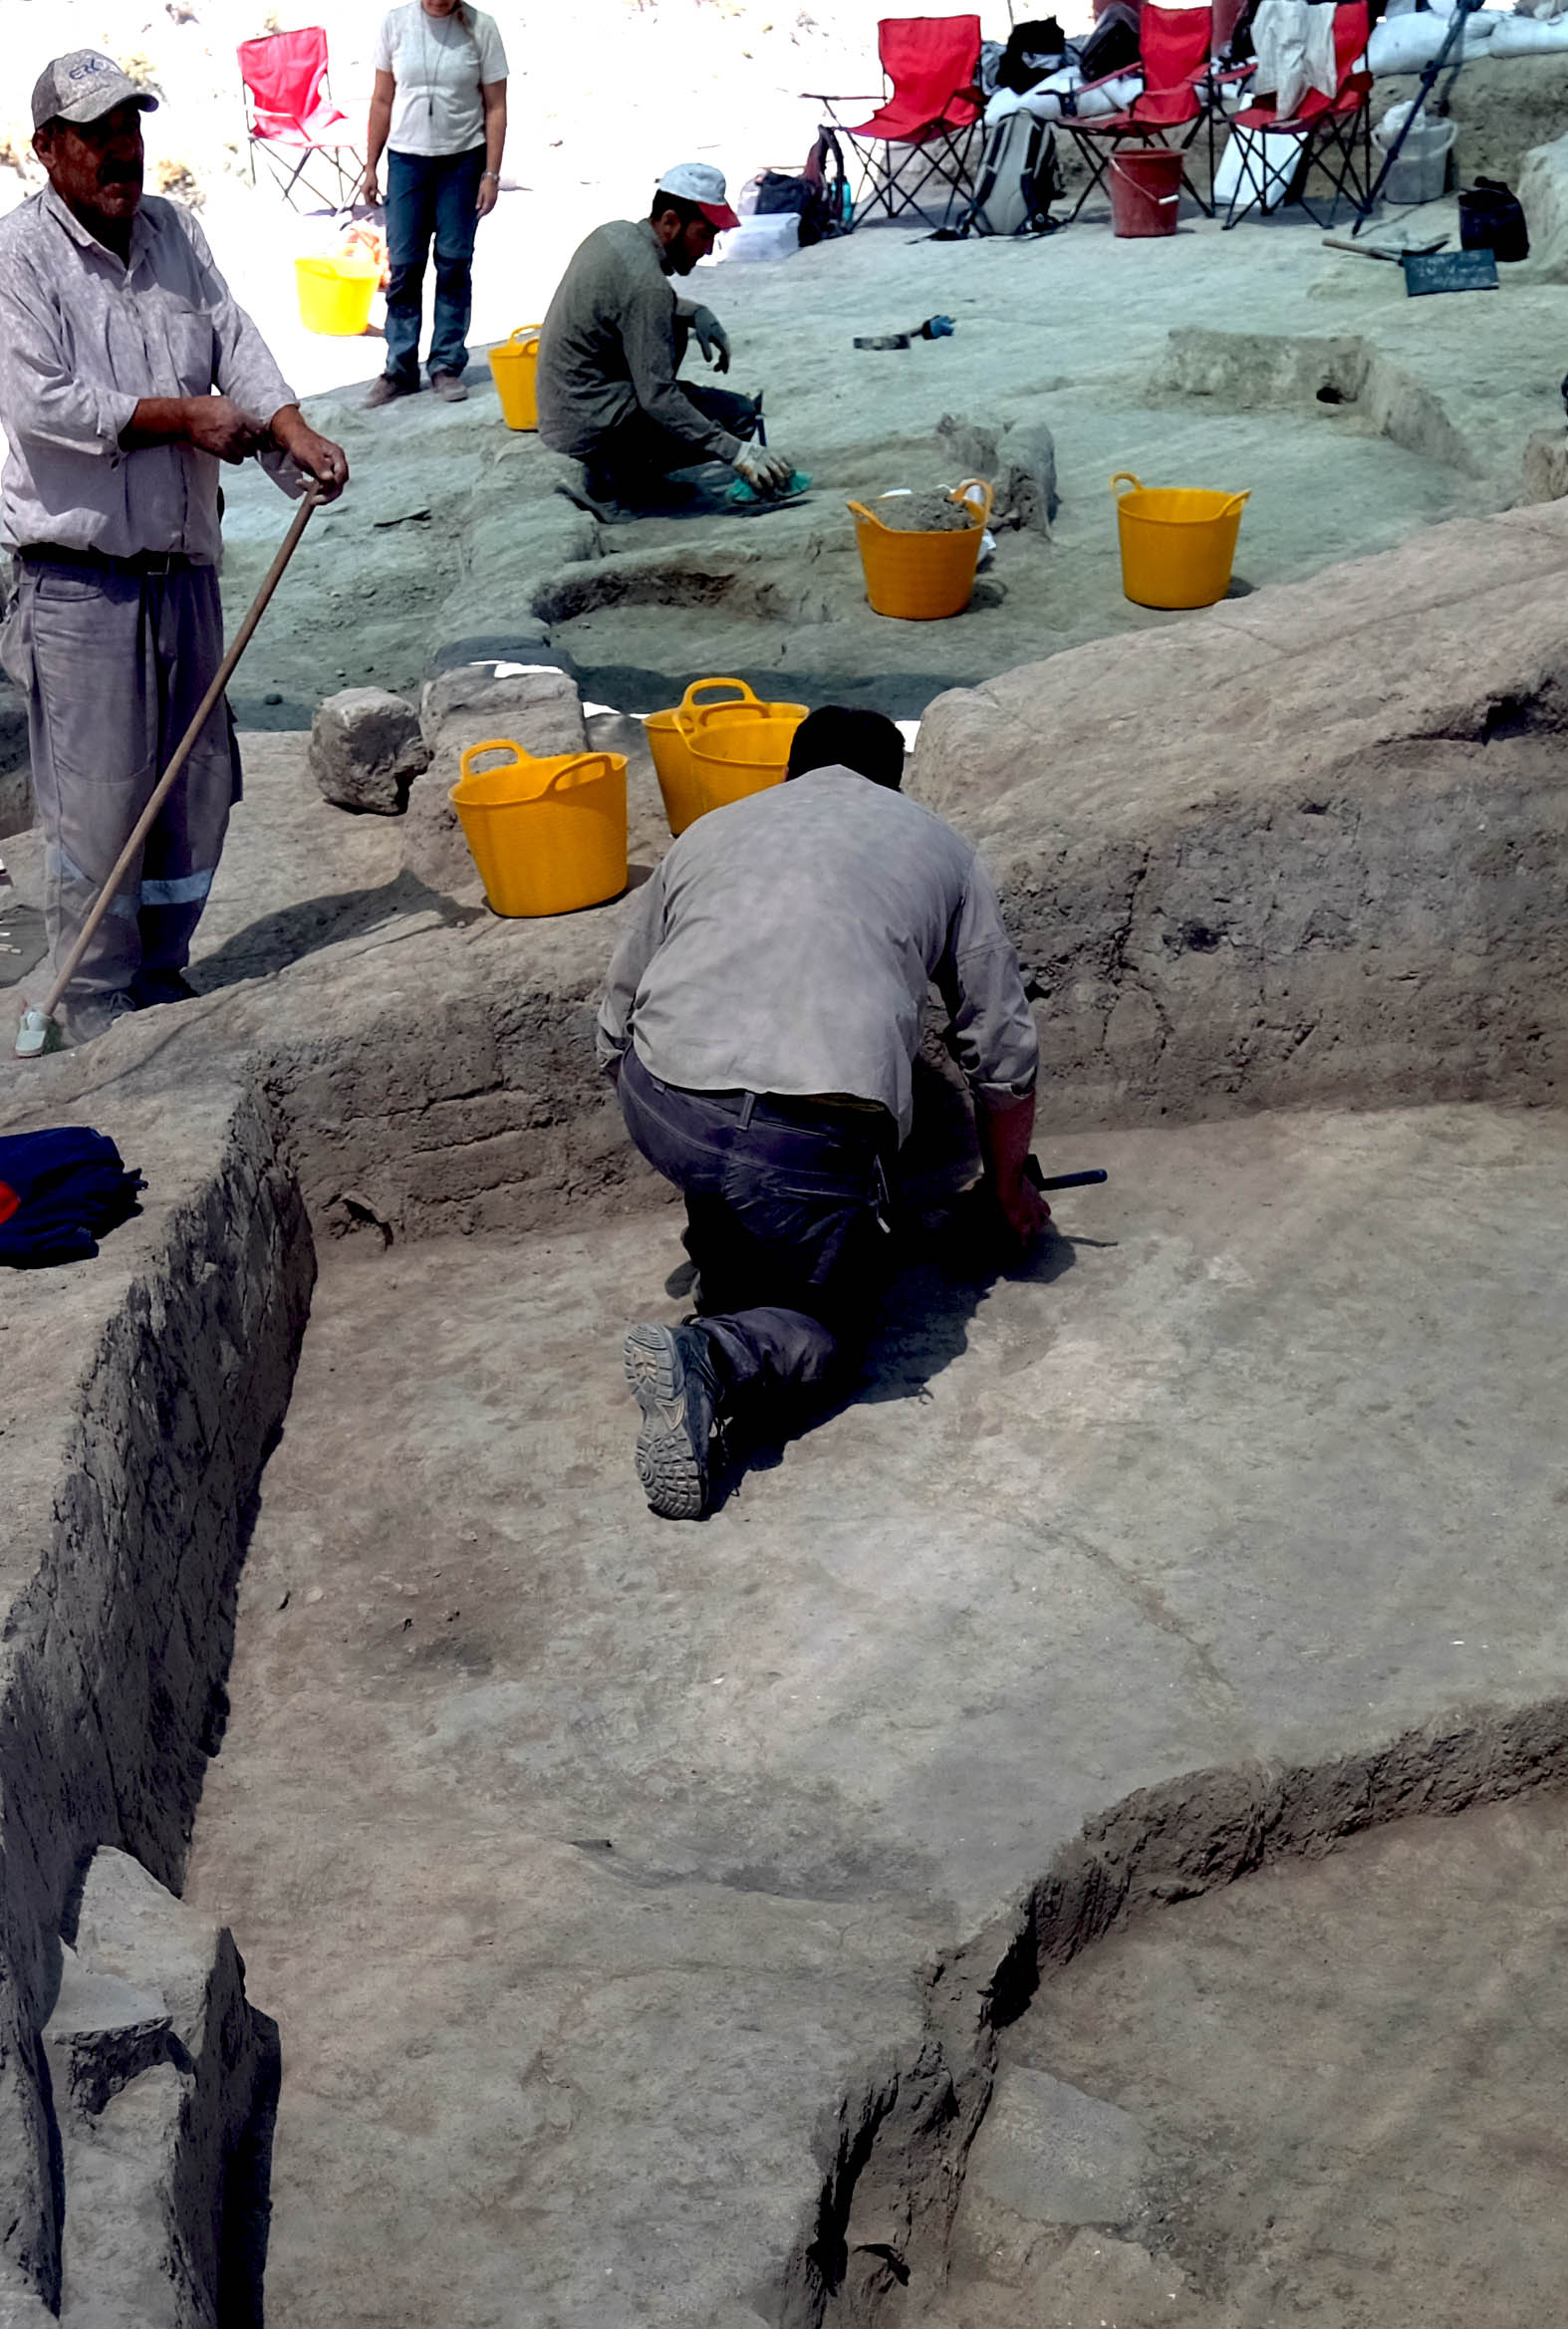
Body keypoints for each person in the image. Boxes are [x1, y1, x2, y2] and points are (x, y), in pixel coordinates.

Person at [0, 47, 355, 1021]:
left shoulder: (175, 232)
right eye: (96, 135)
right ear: (48, 149)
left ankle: (159, 970)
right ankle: (93, 1006)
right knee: (100, 812)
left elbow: (232, 339)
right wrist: (183, 418)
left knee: (193, 790)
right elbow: (43, 404)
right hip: (79, 583)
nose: (119, 152)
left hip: (182, 565)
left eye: (129, 129)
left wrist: (291, 430)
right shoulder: (16, 256)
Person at [595, 708, 1045, 1523]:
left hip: (661, 1104)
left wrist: (684, 1112)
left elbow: (616, 1013)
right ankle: (718, 1356)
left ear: (789, 772)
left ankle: (730, 1253)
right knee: (832, 1329)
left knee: (737, 1159)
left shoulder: (711, 832)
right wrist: (1008, 1192)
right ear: (894, 779)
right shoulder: (940, 846)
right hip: (799, 1146)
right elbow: (1001, 1047)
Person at [536, 166, 790, 515]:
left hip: (564, 414)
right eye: (703, 235)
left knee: (671, 324)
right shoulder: (649, 288)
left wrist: (694, 311)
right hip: (589, 431)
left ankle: (627, 470)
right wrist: (737, 452)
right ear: (670, 223)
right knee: (738, 418)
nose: (707, 249)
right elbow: (658, 398)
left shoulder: (616, 233)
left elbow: (620, 301)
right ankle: (625, 476)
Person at [364, 0, 509, 405]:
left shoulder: (481, 28)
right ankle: (400, 368)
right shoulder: (396, 24)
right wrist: (371, 166)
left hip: (462, 161)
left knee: (454, 260)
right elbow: (381, 100)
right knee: (406, 265)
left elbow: (496, 107)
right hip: (407, 161)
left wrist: (491, 174)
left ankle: (446, 363)